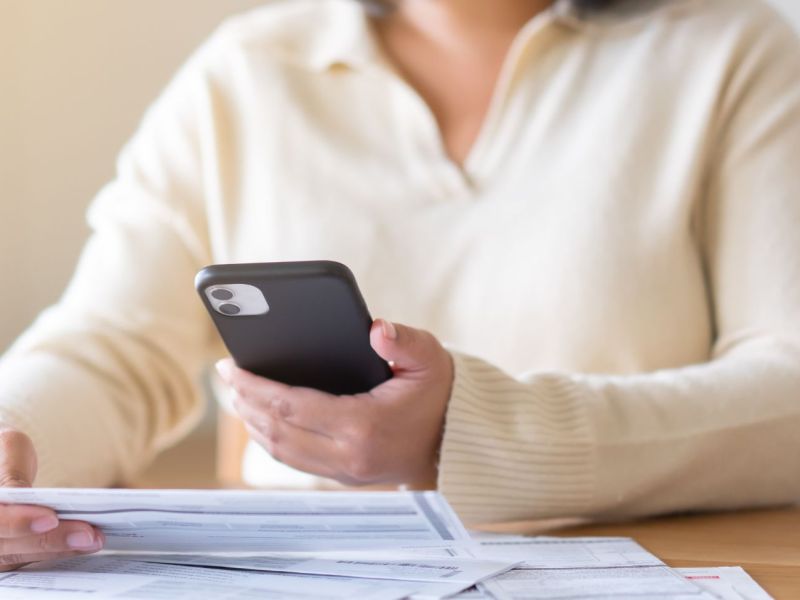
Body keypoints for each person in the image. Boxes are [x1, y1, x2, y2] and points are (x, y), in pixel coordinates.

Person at [1, 0, 799, 572]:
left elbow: (788, 391)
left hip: (654, 568)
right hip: (296, 576)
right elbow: (108, 348)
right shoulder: (243, 71)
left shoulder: (732, 49)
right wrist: (14, 437)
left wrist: (473, 432)